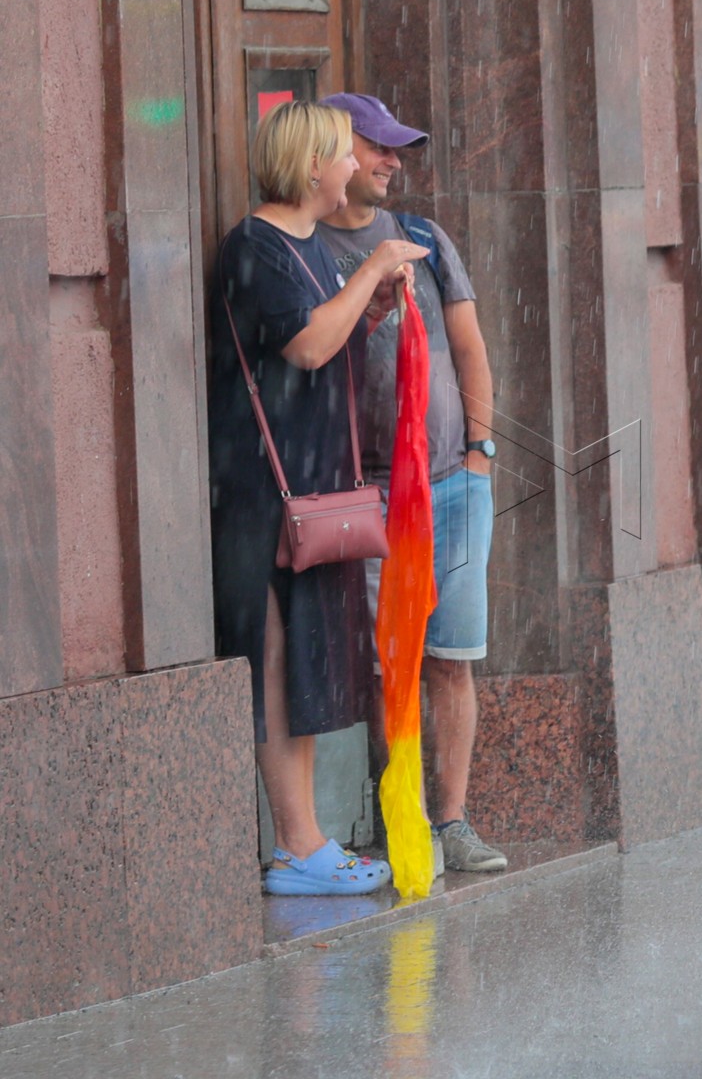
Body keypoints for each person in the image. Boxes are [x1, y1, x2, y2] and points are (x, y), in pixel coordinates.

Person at [208, 101, 428, 896]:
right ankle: (296, 847)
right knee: (276, 663)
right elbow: (303, 347)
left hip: (315, 482)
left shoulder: (304, 244)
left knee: (303, 663)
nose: (352, 166)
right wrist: (370, 271)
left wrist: (368, 310)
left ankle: (306, 842)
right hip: (266, 495)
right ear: (309, 167)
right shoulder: (257, 244)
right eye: (341, 154)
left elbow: (325, 343)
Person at [315, 93, 507, 874]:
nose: (392, 161)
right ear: (333, 150)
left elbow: (470, 346)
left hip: (451, 485)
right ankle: (402, 820)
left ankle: (452, 820)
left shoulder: (424, 237)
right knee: (378, 667)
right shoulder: (304, 246)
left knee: (451, 658)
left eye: (397, 148)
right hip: (360, 494)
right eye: (377, 147)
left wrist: (481, 452)